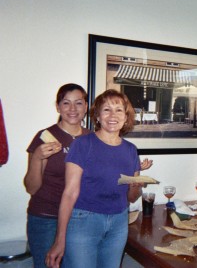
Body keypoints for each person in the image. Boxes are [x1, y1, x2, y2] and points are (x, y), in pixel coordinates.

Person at [45, 89, 146, 268]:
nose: (112, 115)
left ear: (126, 117)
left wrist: (135, 187)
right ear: (97, 116)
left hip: (119, 222)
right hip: (84, 221)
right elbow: (69, 193)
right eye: (106, 109)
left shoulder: (131, 150)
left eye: (119, 110)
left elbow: (131, 197)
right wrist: (59, 239)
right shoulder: (83, 144)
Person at [24, 83, 90, 268]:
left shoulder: (92, 138)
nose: (72, 109)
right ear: (57, 106)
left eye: (78, 103)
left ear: (86, 107)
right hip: (46, 218)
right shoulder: (44, 136)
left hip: (81, 218)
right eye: (66, 103)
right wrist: (37, 157)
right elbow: (31, 188)